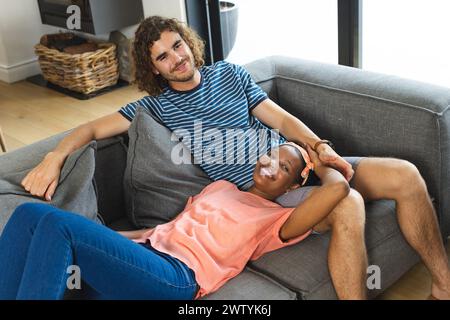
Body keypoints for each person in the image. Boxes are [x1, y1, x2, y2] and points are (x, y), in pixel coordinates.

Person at [18, 16, 449, 299]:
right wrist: (55, 156)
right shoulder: (156, 107)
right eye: (162, 57)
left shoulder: (230, 73)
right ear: (155, 70)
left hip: (294, 162)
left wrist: (320, 149)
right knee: (348, 202)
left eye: (177, 46)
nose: (176, 58)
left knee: (406, 175)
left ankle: (444, 285)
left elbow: (279, 117)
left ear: (189, 43)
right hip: (265, 194)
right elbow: (92, 127)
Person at [0, 143, 349, 299]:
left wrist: (317, 160)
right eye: (270, 155)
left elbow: (337, 191)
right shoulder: (221, 187)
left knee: (57, 225)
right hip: (146, 255)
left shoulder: (278, 220)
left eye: (284, 168)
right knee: (30, 213)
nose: (270, 166)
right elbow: (166, 230)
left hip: (176, 278)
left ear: (296, 184)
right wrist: (104, 239)